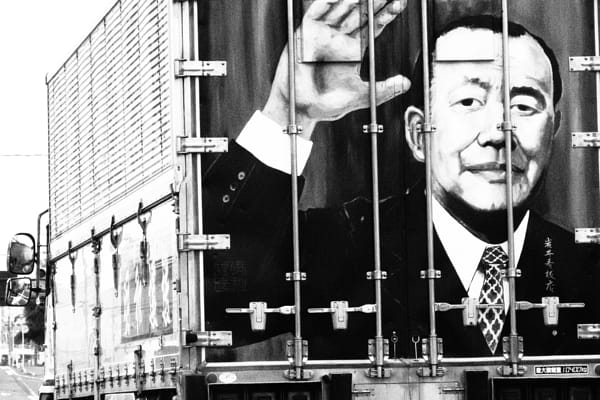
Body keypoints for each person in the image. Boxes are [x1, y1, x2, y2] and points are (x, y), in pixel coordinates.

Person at [203, 0, 600, 359]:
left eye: (524, 106)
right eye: (468, 102)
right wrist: (288, 111)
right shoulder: (346, 244)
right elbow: (215, 306)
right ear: (417, 134)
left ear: (554, 129)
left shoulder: (587, 267)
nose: (498, 132)